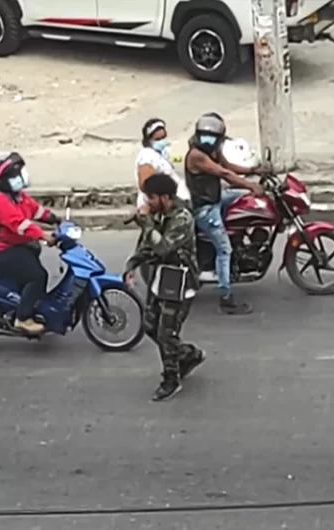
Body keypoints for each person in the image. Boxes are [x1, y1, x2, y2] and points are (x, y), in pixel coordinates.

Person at [124, 172, 205, 402]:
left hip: (180, 281)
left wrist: (147, 222)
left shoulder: (182, 219)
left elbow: (163, 247)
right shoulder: (159, 214)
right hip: (160, 277)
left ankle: (171, 379)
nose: (147, 202)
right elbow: (148, 245)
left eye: (151, 197)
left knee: (166, 333)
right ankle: (188, 355)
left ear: (165, 197)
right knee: (150, 326)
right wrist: (132, 263)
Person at [184, 112, 265, 315]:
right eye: (204, 135)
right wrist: (251, 184)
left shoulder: (213, 150)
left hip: (217, 198)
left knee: (246, 197)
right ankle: (226, 298)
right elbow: (224, 174)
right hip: (205, 208)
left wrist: (254, 170)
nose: (208, 140)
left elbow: (228, 167)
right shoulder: (197, 155)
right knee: (224, 250)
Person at [0, 152, 60, 335]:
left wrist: (53, 218)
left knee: (33, 255)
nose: (23, 176)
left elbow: (34, 209)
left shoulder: (17, 196)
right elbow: (19, 224)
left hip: (13, 245)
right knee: (38, 275)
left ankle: (27, 300)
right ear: (6, 180)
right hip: (0, 250)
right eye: (17, 174)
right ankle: (23, 318)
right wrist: (44, 236)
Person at [135, 118, 192, 209]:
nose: (162, 141)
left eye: (163, 138)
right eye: (157, 139)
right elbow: (145, 185)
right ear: (149, 140)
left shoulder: (163, 152)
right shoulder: (146, 156)